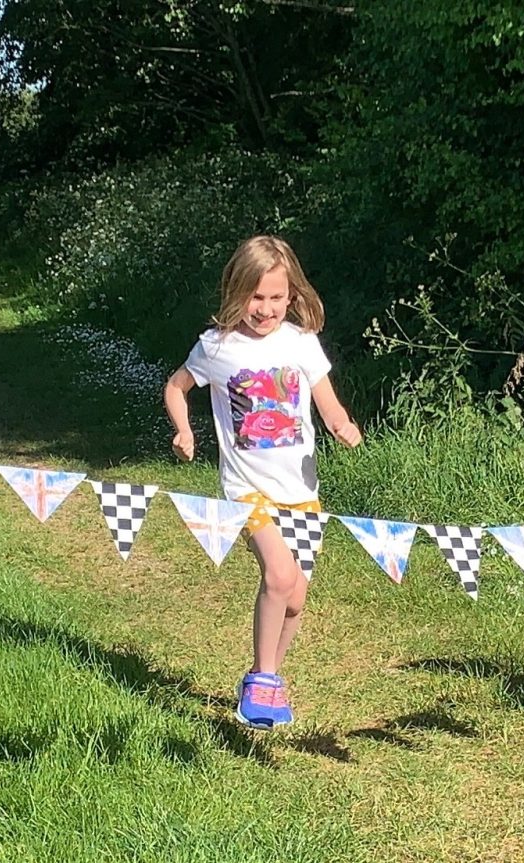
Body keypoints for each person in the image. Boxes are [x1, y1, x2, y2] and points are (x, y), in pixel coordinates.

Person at [164, 235, 362, 730]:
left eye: (276, 297)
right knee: (277, 576)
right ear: (237, 292)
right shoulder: (217, 347)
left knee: (295, 597)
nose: (266, 308)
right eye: (256, 297)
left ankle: (262, 674)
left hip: (302, 492)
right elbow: (175, 386)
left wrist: (342, 425)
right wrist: (184, 428)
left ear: (291, 295)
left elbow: (327, 401)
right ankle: (266, 681)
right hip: (246, 489)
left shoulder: (301, 343)